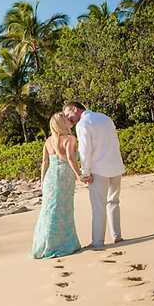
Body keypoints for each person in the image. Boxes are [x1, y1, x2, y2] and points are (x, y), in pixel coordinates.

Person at [62, 102, 126, 249]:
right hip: (115, 166)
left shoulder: (82, 124)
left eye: (68, 115)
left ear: (75, 109)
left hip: (98, 170)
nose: (67, 119)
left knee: (98, 207)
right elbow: (115, 142)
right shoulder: (105, 118)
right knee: (114, 202)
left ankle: (97, 242)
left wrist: (85, 173)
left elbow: (85, 151)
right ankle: (117, 236)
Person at [32, 112, 82, 259]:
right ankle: (64, 244)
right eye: (66, 119)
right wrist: (79, 175)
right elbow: (72, 160)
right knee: (64, 209)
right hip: (64, 176)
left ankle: (43, 245)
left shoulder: (48, 141)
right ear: (62, 124)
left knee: (49, 209)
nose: (69, 120)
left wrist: (42, 181)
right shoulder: (70, 139)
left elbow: (45, 162)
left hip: (50, 178)